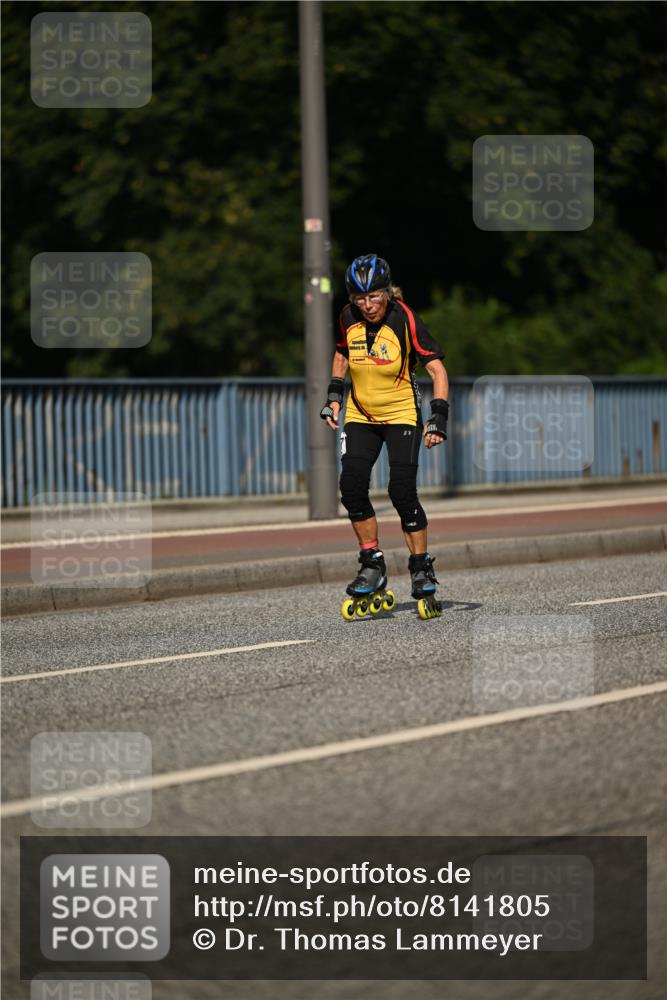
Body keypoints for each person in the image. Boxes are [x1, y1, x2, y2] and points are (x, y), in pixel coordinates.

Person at [320, 252, 449, 617]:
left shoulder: (404, 318)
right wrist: (333, 398)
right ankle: (372, 563)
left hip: (401, 413)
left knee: (401, 491)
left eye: (374, 296)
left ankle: (421, 566)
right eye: (359, 298)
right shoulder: (347, 317)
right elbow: (342, 355)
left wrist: (438, 419)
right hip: (361, 414)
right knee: (352, 486)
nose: (367, 305)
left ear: (387, 293)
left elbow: (438, 371)